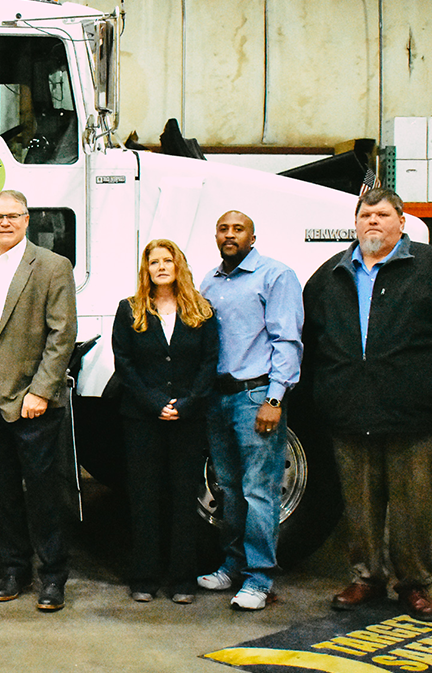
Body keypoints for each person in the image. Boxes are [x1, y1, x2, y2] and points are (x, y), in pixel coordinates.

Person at [303, 187, 432, 620]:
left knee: (413, 510)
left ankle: (414, 585)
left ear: (401, 222)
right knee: (359, 507)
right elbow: (310, 343)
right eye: (365, 215)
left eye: (383, 215)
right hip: (351, 416)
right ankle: (367, 578)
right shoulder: (329, 276)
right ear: (355, 223)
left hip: (417, 418)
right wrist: (322, 399)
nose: (373, 222)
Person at [0, 189, 77, 612]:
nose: (5, 223)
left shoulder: (51, 266)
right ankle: (14, 569)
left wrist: (41, 391)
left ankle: (53, 577)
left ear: (28, 220)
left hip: (32, 400)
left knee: (44, 492)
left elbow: (61, 334)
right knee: (4, 489)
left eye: (13, 215)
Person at [197, 210, 303, 611]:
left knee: (259, 490)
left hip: (256, 397)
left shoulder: (275, 276)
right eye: (222, 228)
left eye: (237, 229)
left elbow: (287, 340)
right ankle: (233, 565)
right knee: (229, 487)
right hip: (218, 398)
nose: (229, 235)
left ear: (252, 236)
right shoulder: (210, 280)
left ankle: (260, 578)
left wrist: (275, 399)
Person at [111, 239, 218, 606]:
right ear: (146, 269)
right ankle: (144, 577)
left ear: (178, 265)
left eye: (167, 260)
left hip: (188, 420)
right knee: (144, 499)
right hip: (142, 419)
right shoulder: (130, 310)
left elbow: (209, 363)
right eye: (153, 261)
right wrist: (155, 403)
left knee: (182, 499)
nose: (160, 266)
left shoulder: (201, 311)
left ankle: (182, 579)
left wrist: (186, 405)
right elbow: (123, 363)